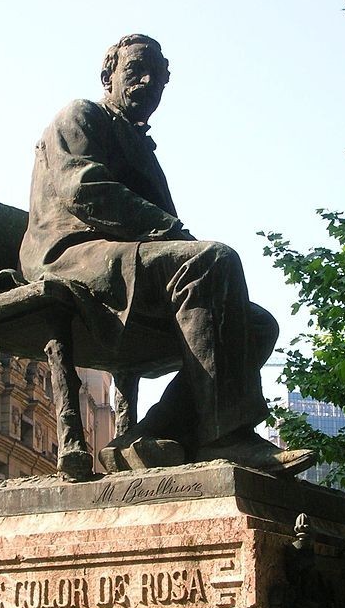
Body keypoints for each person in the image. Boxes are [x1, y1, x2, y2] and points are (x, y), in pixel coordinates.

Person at [19, 34, 314, 476]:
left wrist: (178, 240)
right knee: (214, 260)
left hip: (121, 256)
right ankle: (227, 438)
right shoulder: (81, 115)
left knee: (256, 325)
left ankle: (147, 435)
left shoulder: (140, 146)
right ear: (108, 76)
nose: (147, 81)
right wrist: (177, 236)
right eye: (135, 70)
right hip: (71, 254)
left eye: (157, 77)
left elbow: (166, 228)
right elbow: (85, 190)